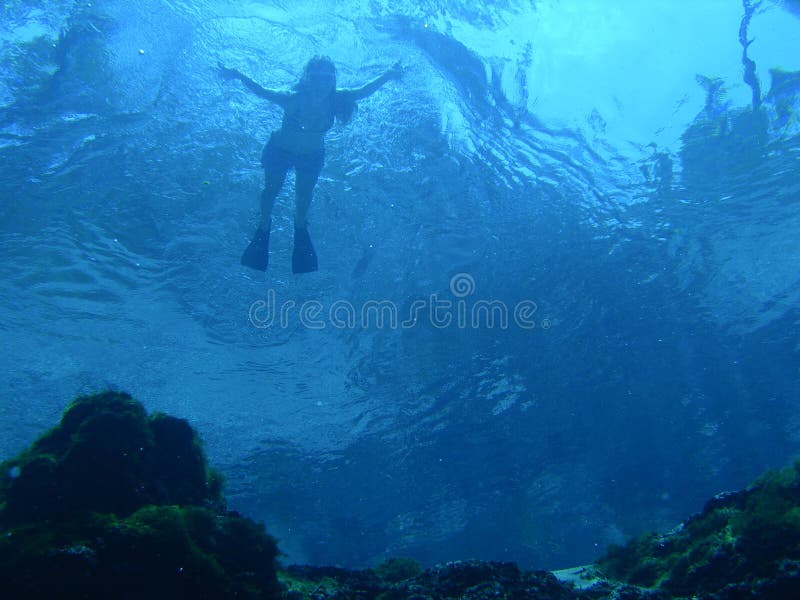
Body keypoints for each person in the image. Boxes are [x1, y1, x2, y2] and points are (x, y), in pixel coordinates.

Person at [219, 57, 403, 273]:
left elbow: (365, 90)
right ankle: (264, 224)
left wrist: (389, 74)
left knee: (304, 196)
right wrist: (237, 74)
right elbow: (261, 90)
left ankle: (300, 224)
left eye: (327, 79)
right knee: (271, 191)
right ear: (306, 79)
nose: (321, 84)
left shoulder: (336, 100)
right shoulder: (292, 98)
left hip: (311, 156)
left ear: (333, 81)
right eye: (316, 78)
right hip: (280, 151)